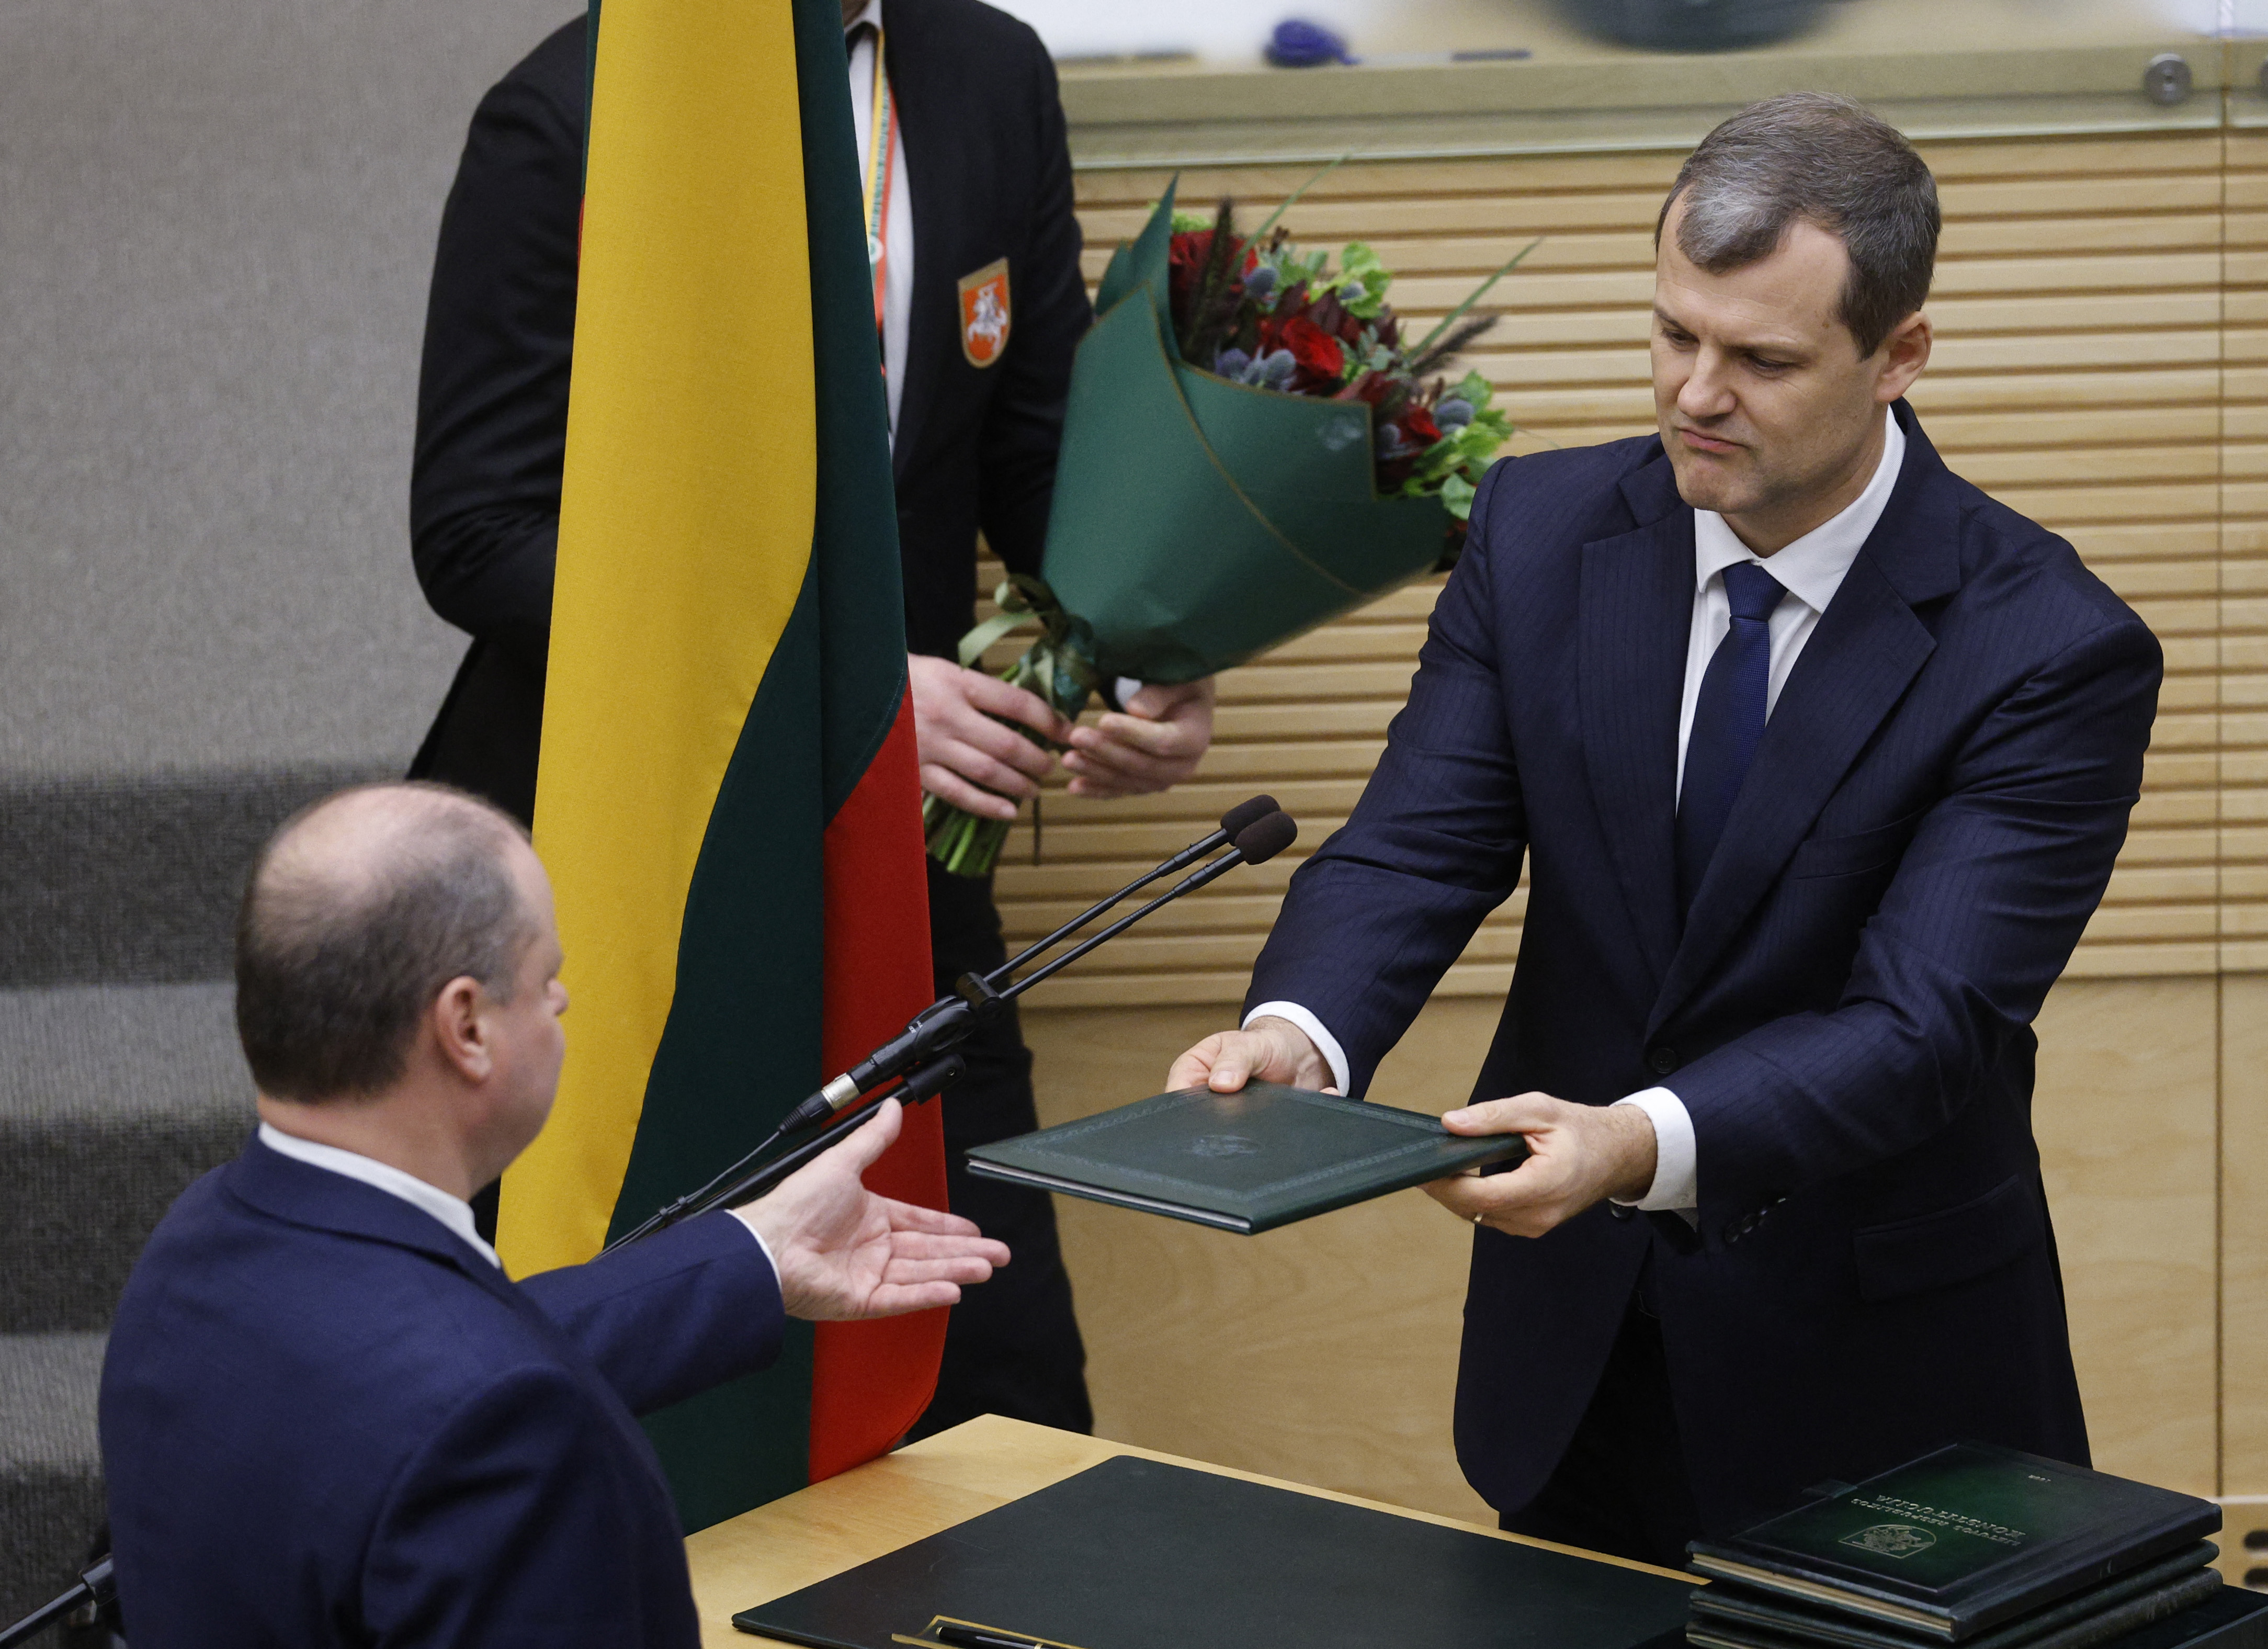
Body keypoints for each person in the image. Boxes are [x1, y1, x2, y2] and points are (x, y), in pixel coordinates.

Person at [1170, 94, 2162, 1567]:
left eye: (1762, 360)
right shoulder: (1537, 531)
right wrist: (1300, 1035)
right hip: (1576, 1353)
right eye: (1671, 333)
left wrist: (1636, 1141)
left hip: (1881, 1376)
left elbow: (1922, 1025)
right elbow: (1416, 844)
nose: (1697, 393)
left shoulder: (2046, 644)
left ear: (1899, 356)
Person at [406, 0, 1213, 1440]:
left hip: (903, 862)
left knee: (1001, 1386)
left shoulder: (987, 74)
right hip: (649, 868)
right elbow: (476, 532)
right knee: (636, 1392)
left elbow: (1032, 452)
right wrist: (846, 693)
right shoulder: (569, 114)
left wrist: (1149, 646)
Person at [98, 784, 1008, 1645]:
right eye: (546, 977)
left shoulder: (192, 1251)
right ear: (467, 1028)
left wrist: (758, 1252)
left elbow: (399, 1377)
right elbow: (459, 1394)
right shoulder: (505, 1438)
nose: (564, 1000)